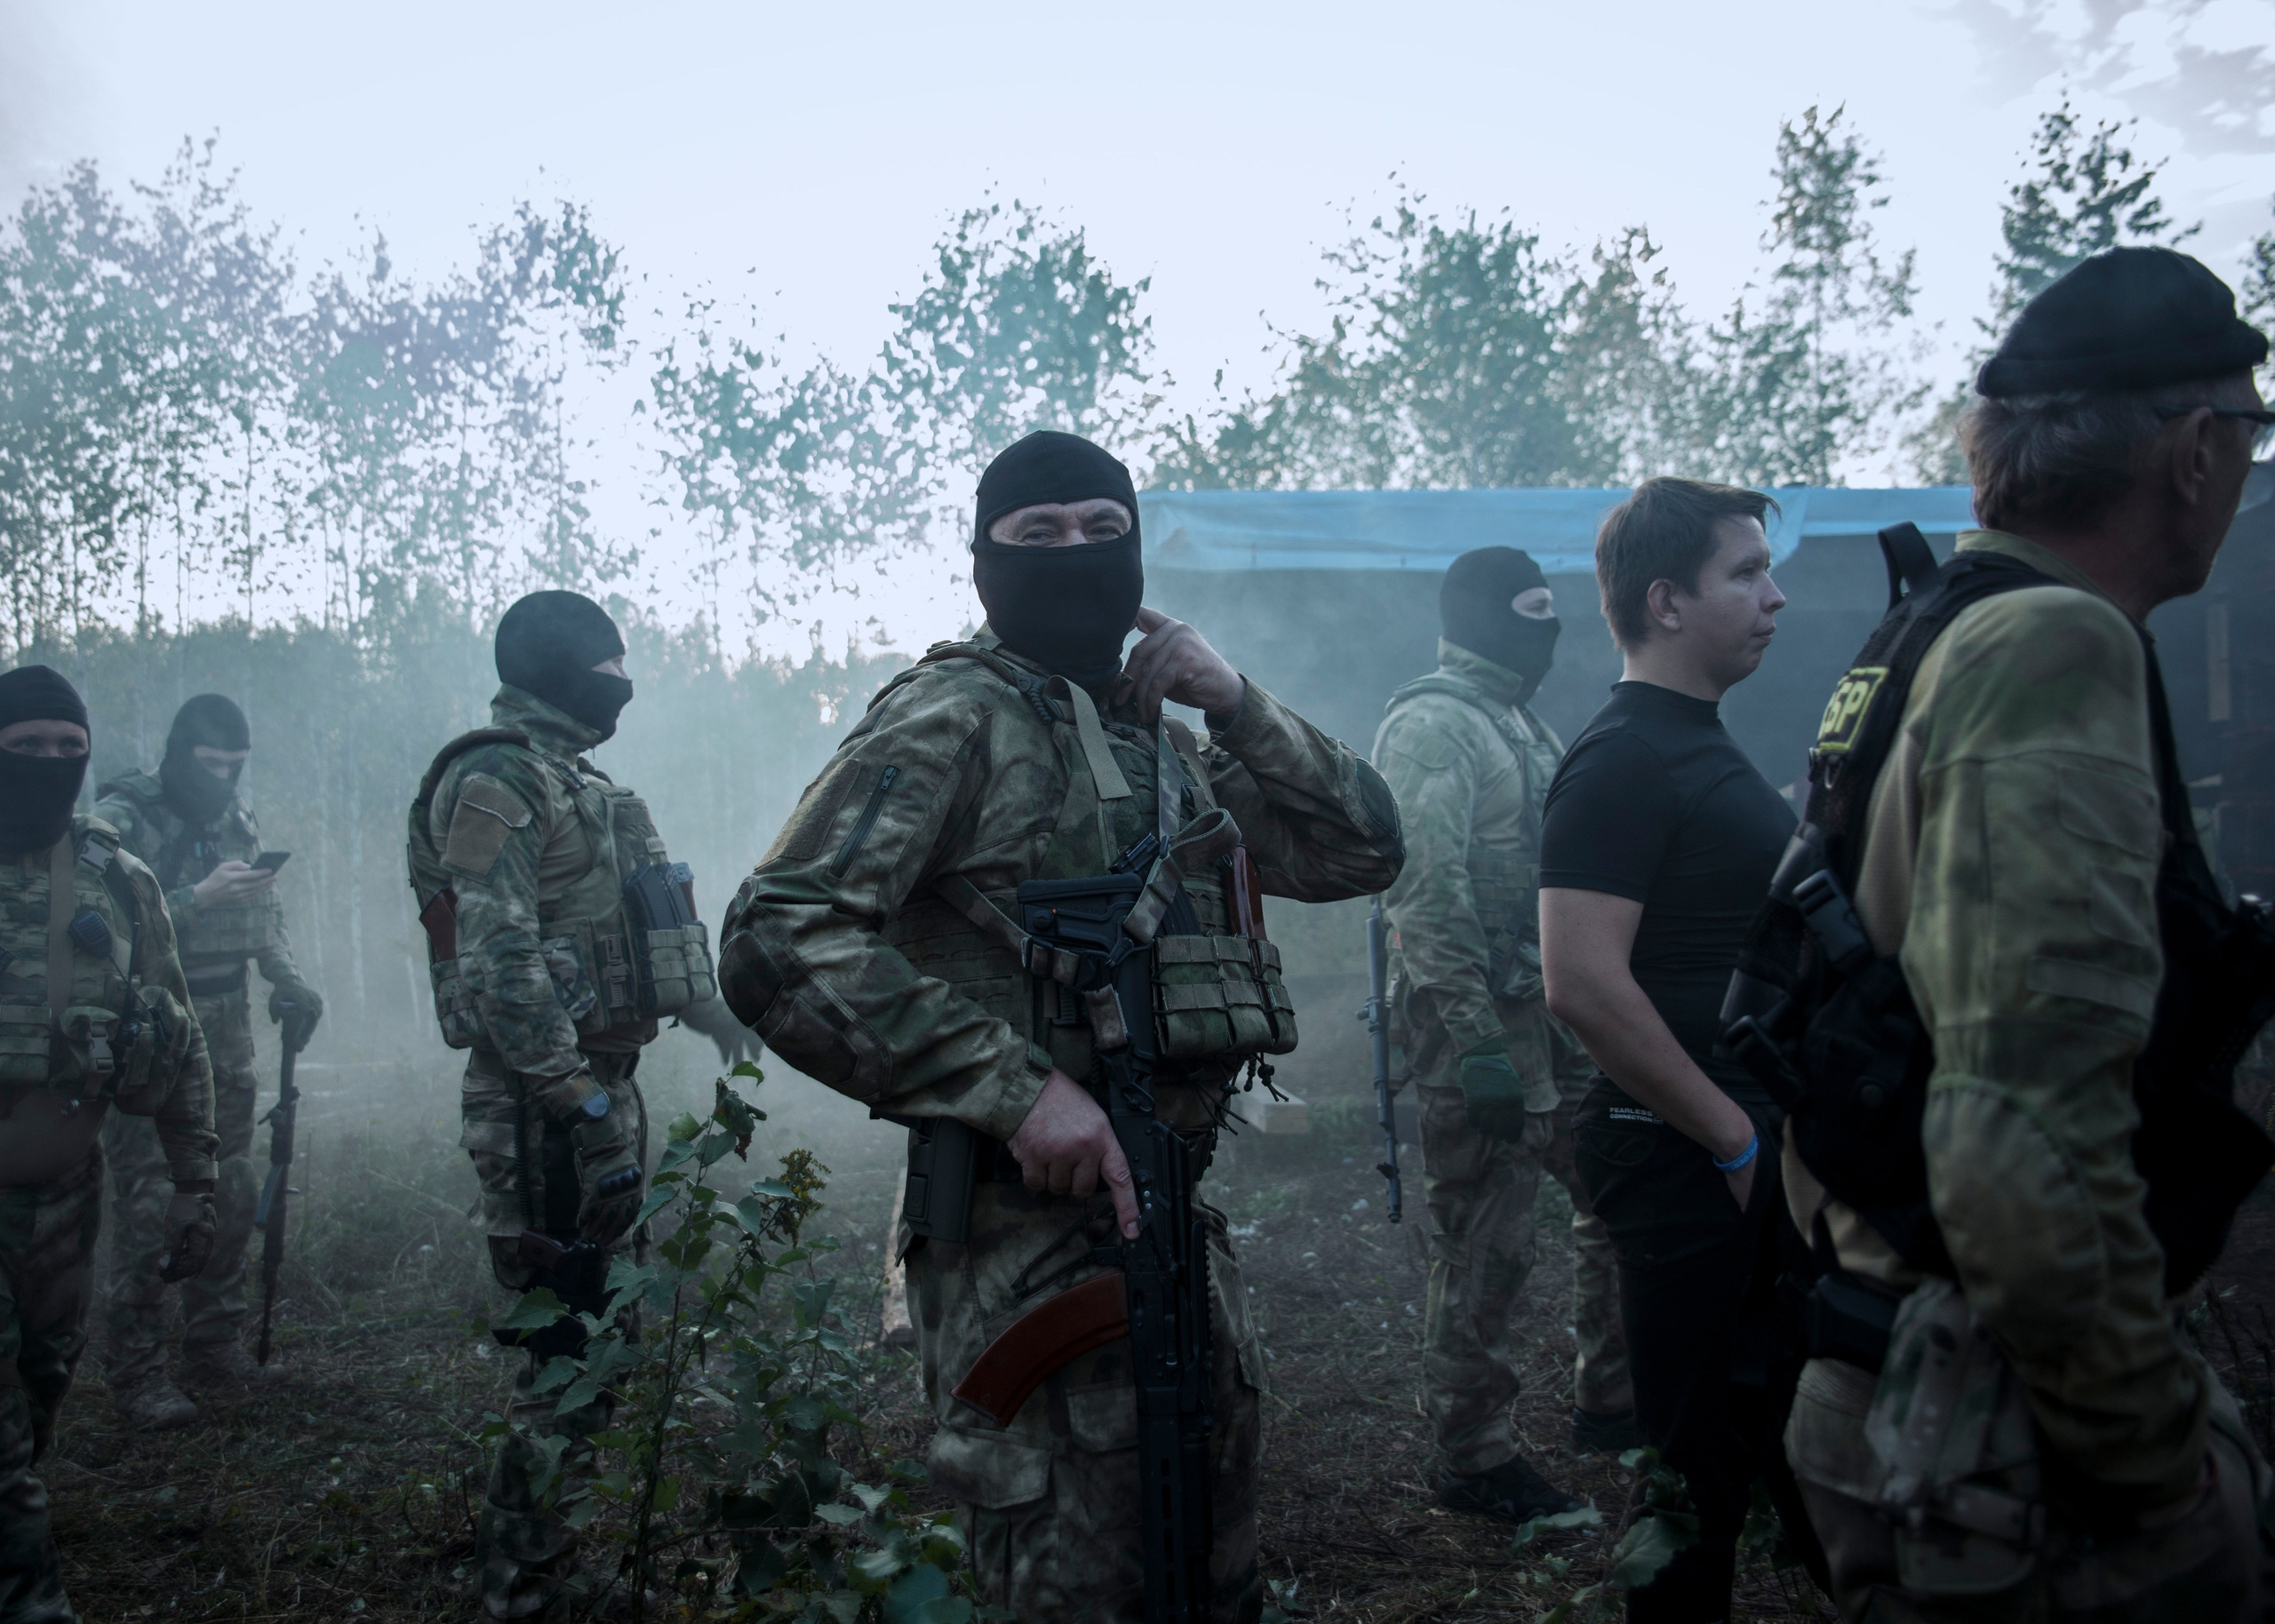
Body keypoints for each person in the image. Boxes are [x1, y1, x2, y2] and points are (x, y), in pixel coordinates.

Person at [717, 430, 1405, 1623]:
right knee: (1073, 1582)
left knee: (1205, 1562)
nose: (1075, 553)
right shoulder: (953, 717)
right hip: (1017, 1232)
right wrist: (1019, 1092)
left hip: (1170, 1205)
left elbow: (1362, 849)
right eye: (1037, 534)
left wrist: (1238, 703)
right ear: (985, 559)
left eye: (1103, 529)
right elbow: (774, 935)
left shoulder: (1159, 738)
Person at [1773, 250, 2275, 1619]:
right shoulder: (2055, 642)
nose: (2245, 466)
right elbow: (2021, 1147)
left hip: (1906, 1373)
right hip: (2012, 1438)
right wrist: (2158, 1467)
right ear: (2192, 450)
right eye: (2250, 429)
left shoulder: (1936, 624)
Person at [405, 591, 716, 1623]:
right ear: (560, 668)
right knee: (564, 1341)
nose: (623, 684)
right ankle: (523, 1587)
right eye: (611, 665)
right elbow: (496, 960)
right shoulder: (497, 779)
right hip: (546, 1101)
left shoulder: (574, 782)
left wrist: (700, 1012)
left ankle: (549, 1563)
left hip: (592, 1086)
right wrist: (579, 1104)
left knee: (600, 1330)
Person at [1537, 478, 1800, 1622]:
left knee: (1750, 1442)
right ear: (1666, 602)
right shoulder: (1623, 756)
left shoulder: (1689, 741)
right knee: (1692, 1482)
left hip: (1732, 1150)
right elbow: (1580, 980)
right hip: (1687, 1158)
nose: (1773, 597)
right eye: (1745, 572)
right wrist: (1731, 1135)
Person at [1371, 545, 1628, 1525]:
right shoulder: (1434, 725)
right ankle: (1472, 1454)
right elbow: (1424, 895)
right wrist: (1477, 1042)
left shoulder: (1517, 720)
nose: (1549, 627)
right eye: (1530, 608)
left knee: (1616, 1190)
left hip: (1551, 1015)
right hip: (1474, 1026)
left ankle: (1611, 1399)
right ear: (1482, 614)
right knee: (1487, 1242)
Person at [0, 665, 218, 1624]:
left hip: (65, 1191)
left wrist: (194, 1177)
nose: (50, 762)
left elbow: (177, 1030)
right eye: (25, 746)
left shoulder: (116, 878)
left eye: (69, 747)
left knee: (41, 1384)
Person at [94, 695, 322, 1428]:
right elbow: (96, 924)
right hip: (150, 1026)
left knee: (230, 1186)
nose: (224, 779)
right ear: (178, 755)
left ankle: (213, 1344)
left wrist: (287, 979)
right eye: (211, 765)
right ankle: (137, 1372)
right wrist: (195, 895)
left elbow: (264, 915)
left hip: (226, 1028)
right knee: (152, 1199)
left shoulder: (236, 818)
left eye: (236, 766)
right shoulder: (122, 818)